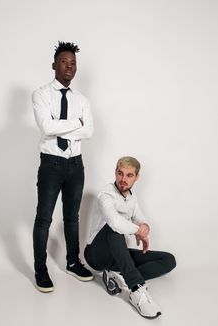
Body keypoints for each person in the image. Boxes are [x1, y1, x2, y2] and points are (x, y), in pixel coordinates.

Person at [32, 41, 94, 293]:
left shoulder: (82, 100)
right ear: (54, 65)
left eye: (73, 63)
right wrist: (75, 123)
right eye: (64, 62)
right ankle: (40, 269)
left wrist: (63, 123)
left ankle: (72, 261)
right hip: (51, 165)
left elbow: (89, 131)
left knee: (72, 217)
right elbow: (46, 127)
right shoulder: (41, 94)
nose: (69, 66)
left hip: (76, 166)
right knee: (44, 219)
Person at [84, 156, 176, 319]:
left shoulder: (131, 199)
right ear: (115, 173)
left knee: (168, 260)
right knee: (114, 229)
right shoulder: (106, 194)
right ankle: (136, 288)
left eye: (129, 175)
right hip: (95, 254)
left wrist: (145, 227)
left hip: (118, 255)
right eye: (120, 173)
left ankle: (120, 275)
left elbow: (141, 219)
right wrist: (138, 231)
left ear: (137, 177)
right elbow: (115, 223)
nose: (123, 179)